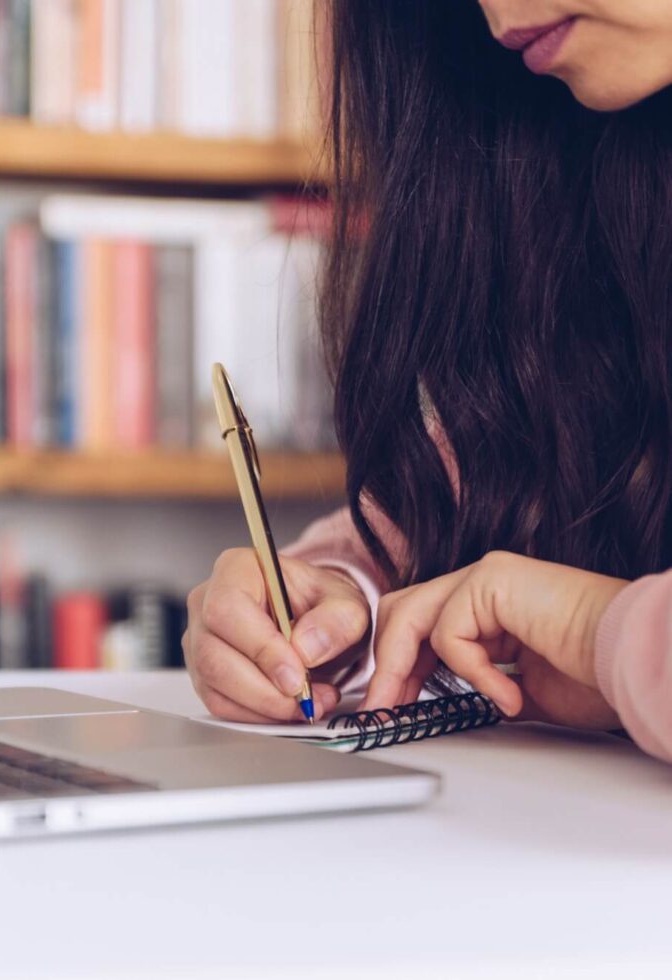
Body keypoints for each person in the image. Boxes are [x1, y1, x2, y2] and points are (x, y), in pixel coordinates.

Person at [184, 1, 672, 763]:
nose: (497, 7)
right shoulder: (599, 176)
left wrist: (596, 631)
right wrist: (344, 602)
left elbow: (558, 604)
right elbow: (496, 477)